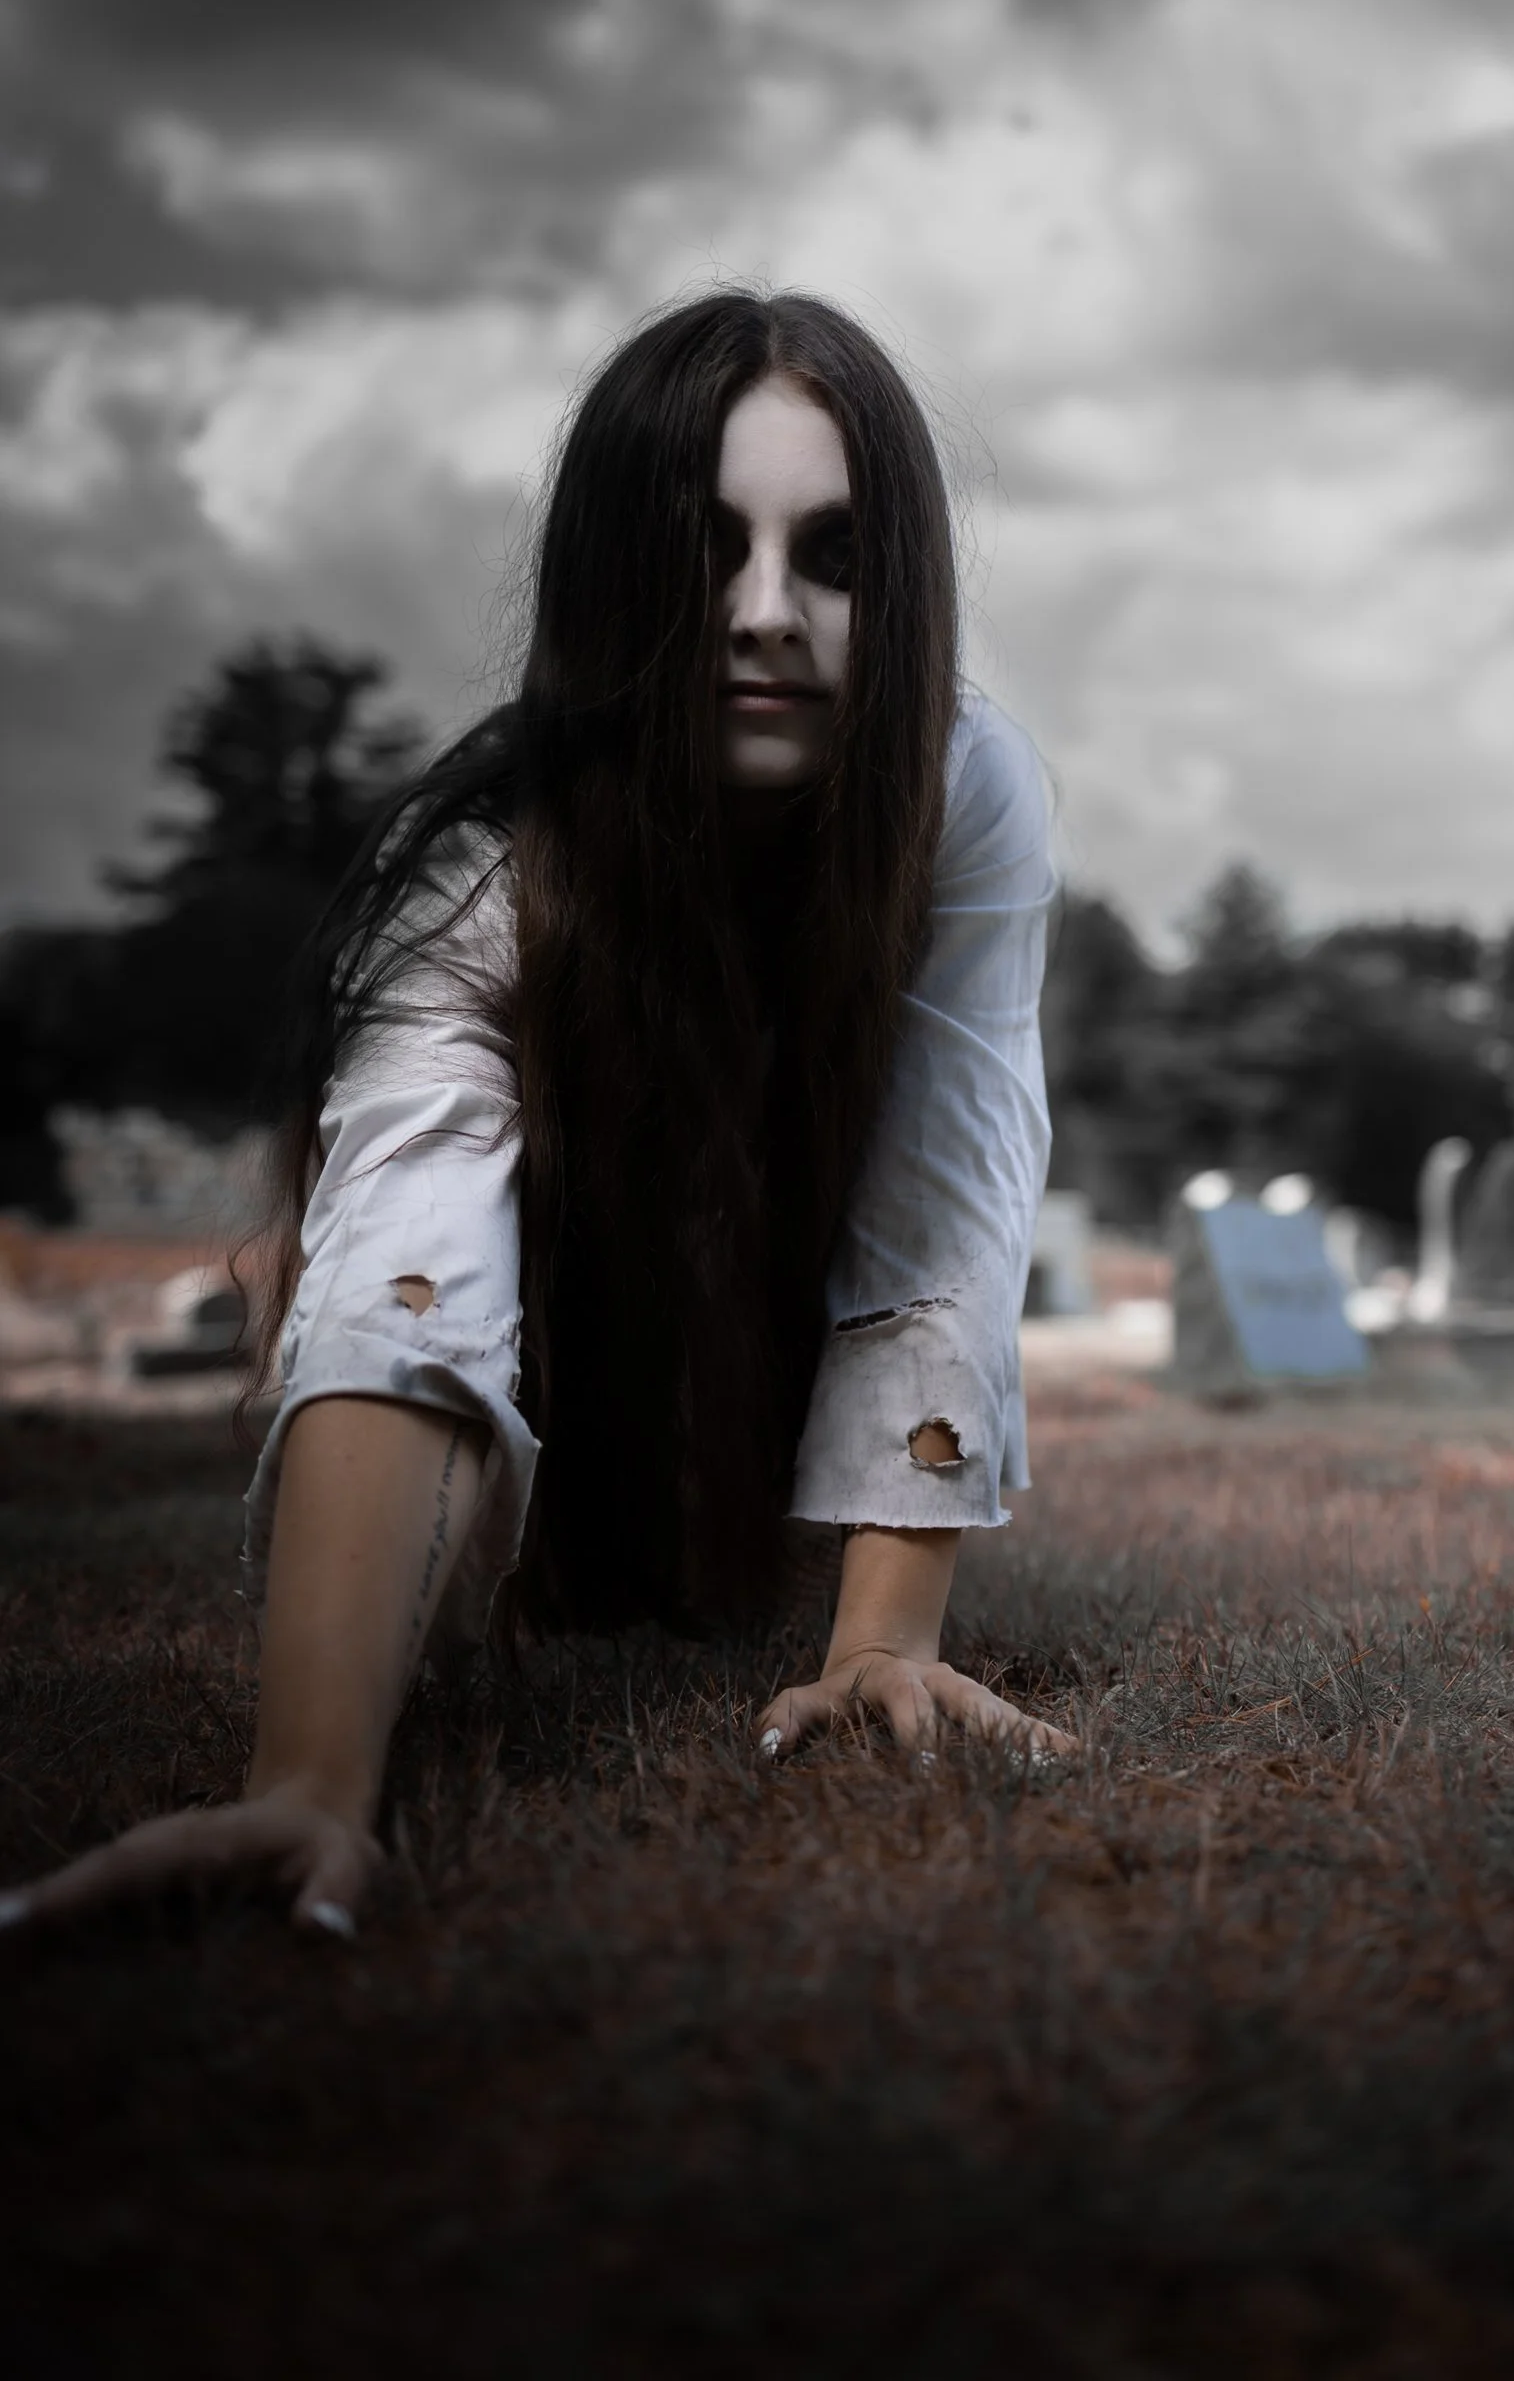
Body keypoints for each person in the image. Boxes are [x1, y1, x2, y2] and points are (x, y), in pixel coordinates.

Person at [0, 289, 1073, 1944]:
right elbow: (410, 1259)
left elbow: (948, 1178)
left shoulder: (964, 788)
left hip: (764, 1384)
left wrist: (883, 1638)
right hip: (554, 1387)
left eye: (836, 557)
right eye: (702, 553)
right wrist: (310, 1782)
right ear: (611, 579)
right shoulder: (480, 868)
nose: (764, 614)